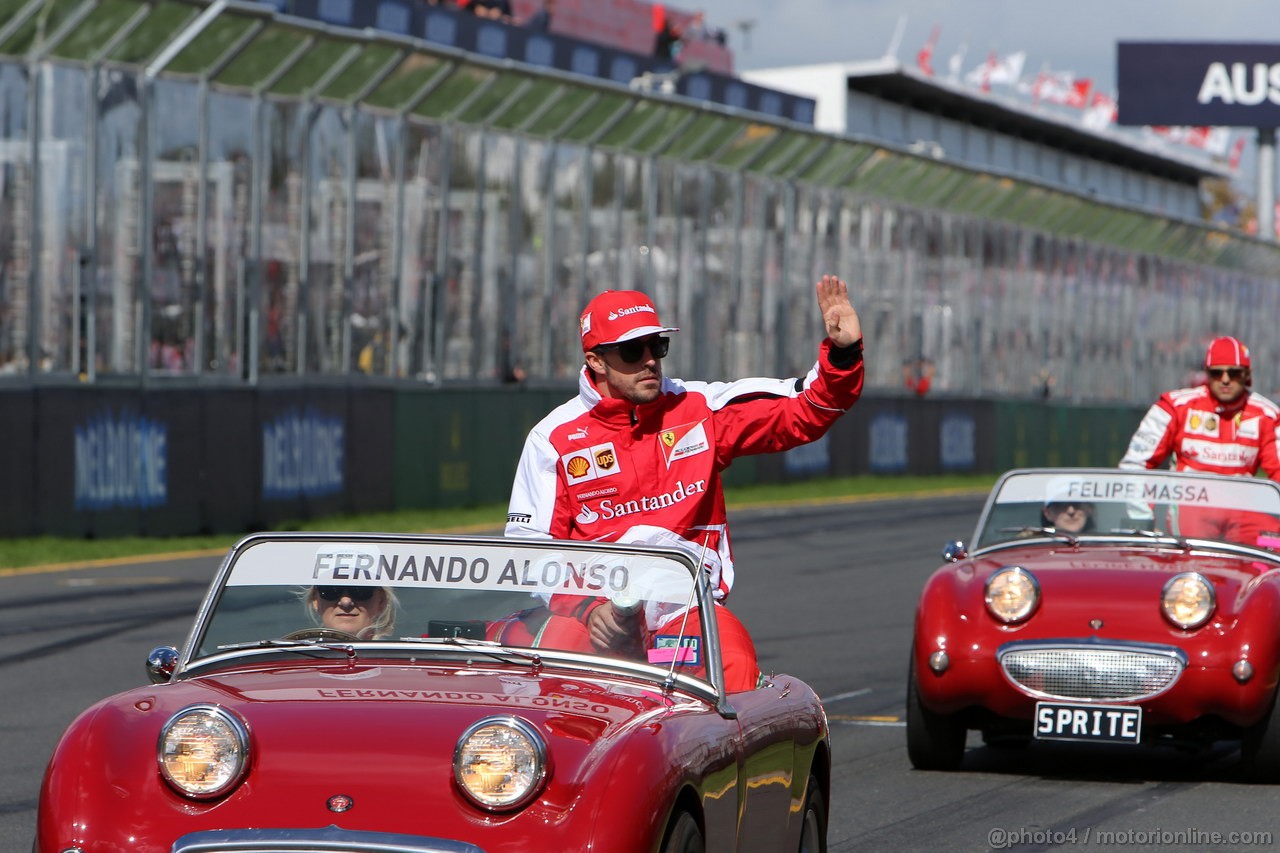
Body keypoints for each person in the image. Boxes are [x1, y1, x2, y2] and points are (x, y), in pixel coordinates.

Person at [505, 276, 865, 691]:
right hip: (594, 622)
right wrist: (587, 608)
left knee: (730, 666)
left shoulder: (701, 408)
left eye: (657, 346)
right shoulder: (552, 438)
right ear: (596, 361)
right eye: (631, 351)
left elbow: (808, 407)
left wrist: (843, 352)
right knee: (543, 671)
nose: (650, 361)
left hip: (682, 618)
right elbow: (529, 550)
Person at [1120, 335, 1280, 543]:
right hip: (1191, 505)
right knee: (1195, 562)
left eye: (1234, 373)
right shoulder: (1174, 407)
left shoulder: (1267, 415)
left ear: (1247, 375)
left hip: (1243, 509)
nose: (1225, 379)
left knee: (1271, 549)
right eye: (1216, 373)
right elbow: (1136, 464)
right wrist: (1141, 518)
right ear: (1206, 374)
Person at [299, 585, 399, 639]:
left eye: (360, 590)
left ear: (381, 601)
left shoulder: (401, 666)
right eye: (330, 591)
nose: (345, 602)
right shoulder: (295, 663)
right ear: (315, 600)